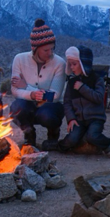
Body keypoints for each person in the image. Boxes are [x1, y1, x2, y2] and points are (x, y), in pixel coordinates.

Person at [56, 45, 110, 161]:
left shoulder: (96, 79)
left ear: (83, 64)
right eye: (70, 64)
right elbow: (67, 103)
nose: (72, 67)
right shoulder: (71, 82)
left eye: (74, 64)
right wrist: (71, 118)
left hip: (95, 118)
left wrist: (82, 88)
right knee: (72, 138)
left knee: (93, 136)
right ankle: (58, 146)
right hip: (79, 119)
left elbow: (98, 98)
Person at [9, 18, 65, 147]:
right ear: (35, 48)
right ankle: (28, 133)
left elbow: (55, 96)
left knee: (45, 115)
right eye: (46, 50)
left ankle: (53, 132)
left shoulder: (60, 63)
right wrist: (32, 95)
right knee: (16, 109)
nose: (50, 53)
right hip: (29, 103)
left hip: (52, 106)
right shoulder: (19, 59)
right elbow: (15, 90)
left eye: (52, 49)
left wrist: (26, 87)